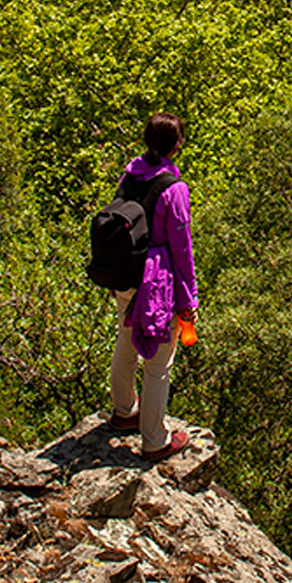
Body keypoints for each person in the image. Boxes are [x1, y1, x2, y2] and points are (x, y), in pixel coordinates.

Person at [107, 112, 196, 461]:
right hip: (158, 286)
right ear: (177, 147)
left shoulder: (130, 175)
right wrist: (188, 298)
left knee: (126, 342)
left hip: (126, 275)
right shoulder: (173, 190)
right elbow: (182, 248)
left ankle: (124, 411)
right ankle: (155, 441)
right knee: (159, 363)